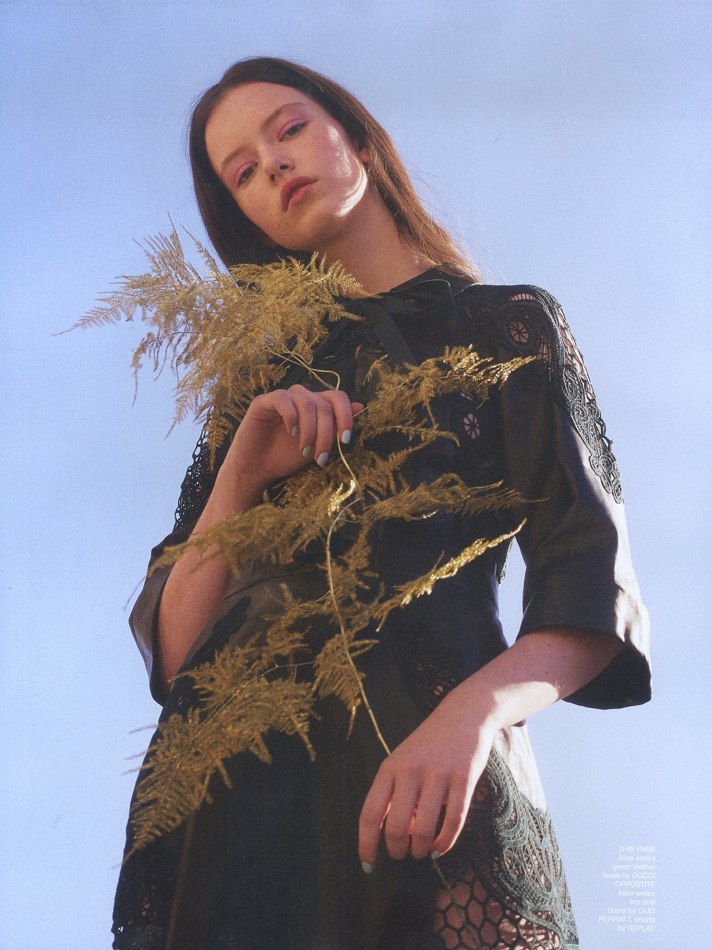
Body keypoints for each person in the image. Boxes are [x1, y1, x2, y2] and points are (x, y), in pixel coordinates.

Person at [112, 57, 651, 950]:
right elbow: (174, 654)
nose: (274, 165)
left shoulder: (510, 327)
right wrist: (240, 474)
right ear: (246, 217)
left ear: (356, 136)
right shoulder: (257, 383)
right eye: (242, 171)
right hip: (235, 788)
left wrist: (471, 717)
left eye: (288, 129)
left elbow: (593, 587)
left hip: (433, 759)